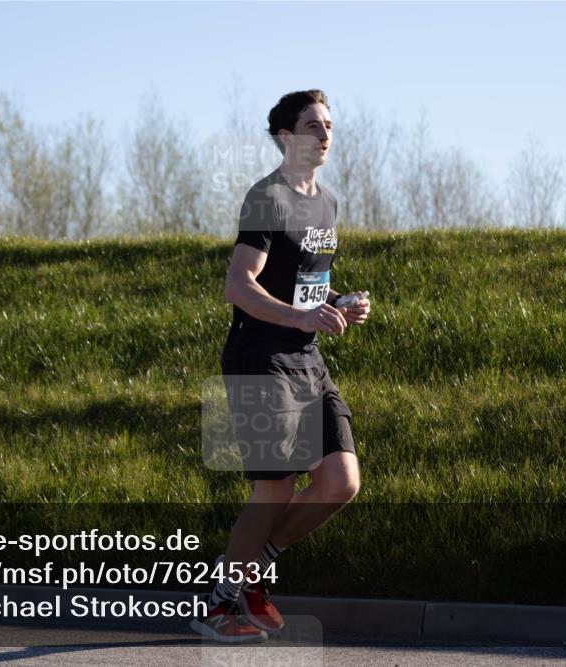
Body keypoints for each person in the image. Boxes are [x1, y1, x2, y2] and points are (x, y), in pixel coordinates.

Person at [191, 89, 371, 643]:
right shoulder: (266, 198)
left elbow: (301, 285)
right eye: (313, 125)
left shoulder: (327, 204)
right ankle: (219, 604)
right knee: (274, 489)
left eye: (330, 125)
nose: (325, 134)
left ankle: (251, 572)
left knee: (340, 480)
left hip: (306, 358)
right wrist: (302, 319)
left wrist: (337, 303)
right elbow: (239, 286)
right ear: (285, 137)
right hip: (261, 358)